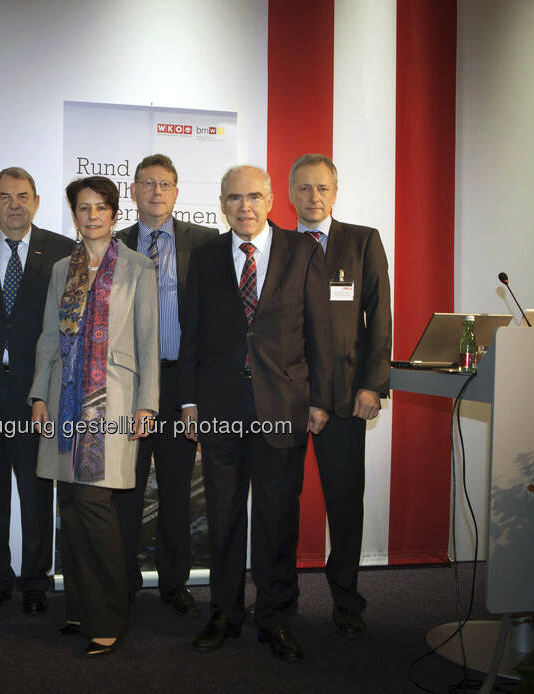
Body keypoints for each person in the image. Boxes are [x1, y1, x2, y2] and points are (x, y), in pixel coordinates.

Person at [179, 165, 332, 661]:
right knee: (222, 518)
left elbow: (319, 332)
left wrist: (320, 399)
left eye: (253, 197)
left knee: (276, 520)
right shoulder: (202, 258)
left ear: (270, 201)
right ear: (221, 204)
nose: (244, 206)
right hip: (220, 408)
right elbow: (191, 335)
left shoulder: (303, 251)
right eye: (234, 198)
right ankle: (224, 613)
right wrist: (188, 401)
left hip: (282, 408)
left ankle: (276, 617)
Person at [29, 175, 159, 658]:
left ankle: (109, 618)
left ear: (114, 212)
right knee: (73, 508)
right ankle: (81, 609)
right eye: (83, 207)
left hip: (115, 401)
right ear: (74, 214)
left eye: (101, 206)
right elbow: (47, 337)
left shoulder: (138, 267)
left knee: (94, 507)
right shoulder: (62, 267)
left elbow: (150, 339)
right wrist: (38, 395)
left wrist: (148, 403)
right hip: (63, 402)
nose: (92, 215)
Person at [0, 167, 74, 614]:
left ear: (37, 201)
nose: (14, 204)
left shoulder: (61, 250)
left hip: (35, 394)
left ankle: (36, 581)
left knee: (37, 492)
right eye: (5, 196)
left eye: (22, 196)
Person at [289, 153, 391, 638]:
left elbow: (380, 318)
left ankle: (347, 600)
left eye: (322, 188)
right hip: (284, 400)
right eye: (304, 188)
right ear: (290, 193)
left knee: (345, 506)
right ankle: (278, 599)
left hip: (349, 397)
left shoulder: (362, 241)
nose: (313, 197)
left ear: (335, 192)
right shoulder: (276, 246)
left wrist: (373, 385)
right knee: (278, 503)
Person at [112, 153, 217, 615]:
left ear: (177, 193)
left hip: (180, 386)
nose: (157, 191)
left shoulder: (207, 243)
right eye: (148, 183)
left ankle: (175, 583)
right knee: (126, 490)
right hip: (129, 387)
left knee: (176, 489)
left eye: (166, 184)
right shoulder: (112, 244)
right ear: (132, 191)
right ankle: (123, 581)